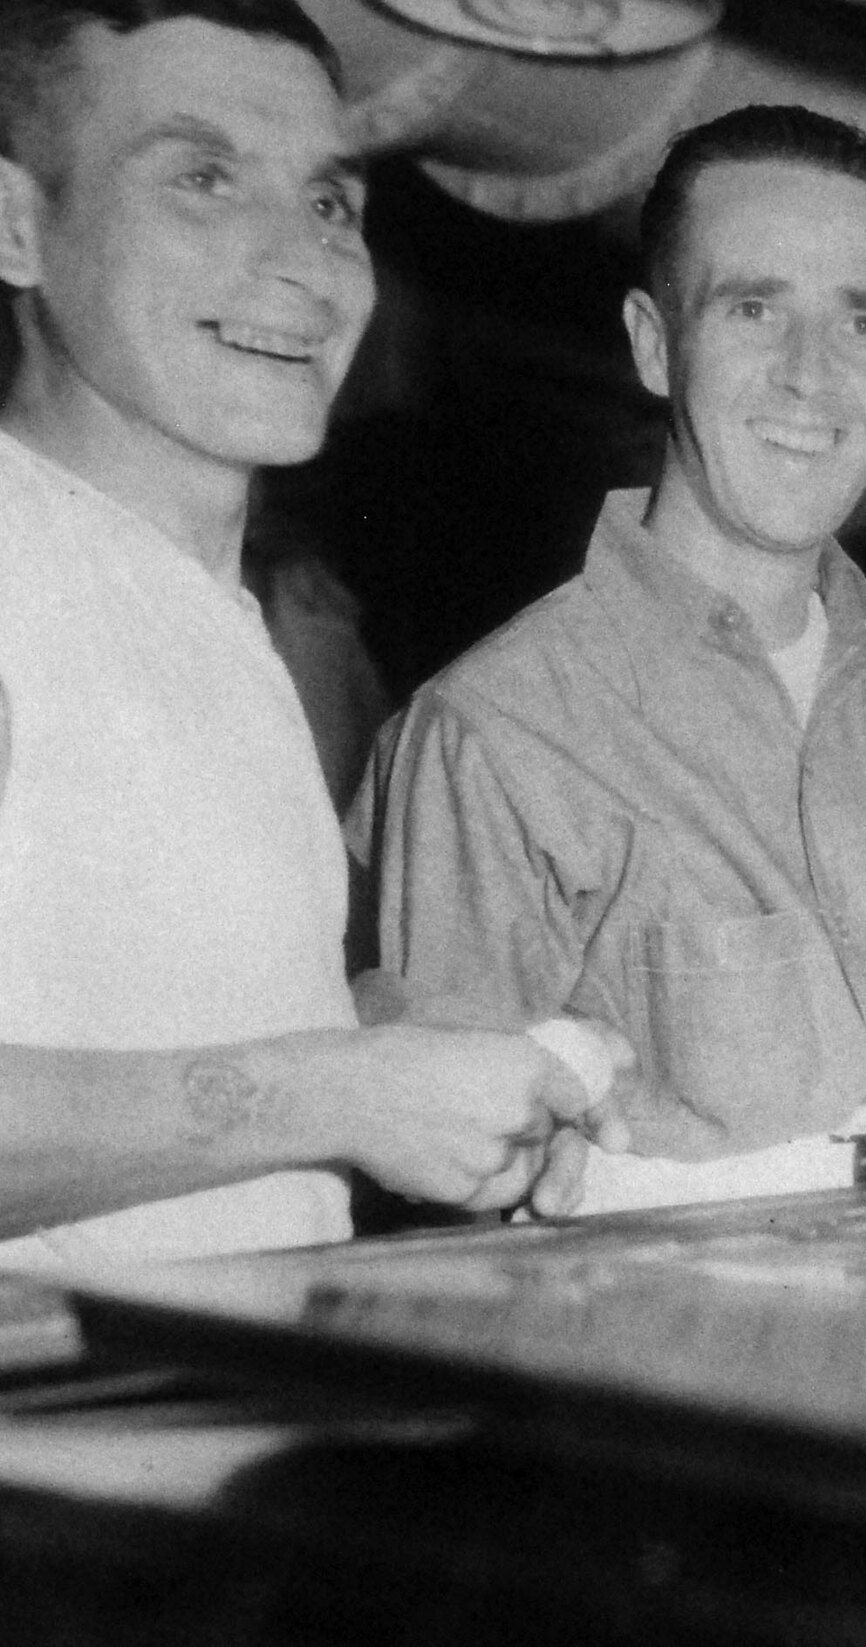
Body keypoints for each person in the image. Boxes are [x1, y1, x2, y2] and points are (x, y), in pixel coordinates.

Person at [0, 0, 628, 1267]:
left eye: (331, 203)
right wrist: (342, 1094)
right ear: (16, 225)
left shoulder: (204, 610)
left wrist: (405, 1060)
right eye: (203, 179)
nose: (305, 264)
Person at [353, 106, 866, 1209]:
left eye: (861, 322)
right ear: (654, 343)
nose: (810, 375)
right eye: (753, 309)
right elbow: (455, 1210)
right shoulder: (491, 732)